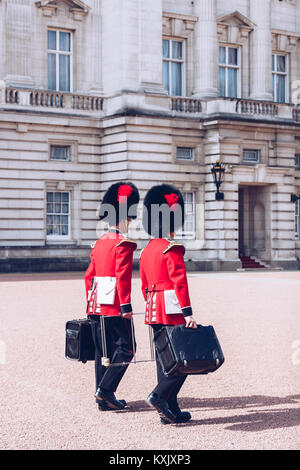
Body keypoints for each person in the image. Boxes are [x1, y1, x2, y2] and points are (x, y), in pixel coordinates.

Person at [140, 184, 197, 424]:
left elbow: (144, 285)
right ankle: (159, 394)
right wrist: (188, 313)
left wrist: (152, 303)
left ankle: (170, 410)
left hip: (153, 307)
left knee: (165, 358)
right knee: (183, 358)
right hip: (171, 307)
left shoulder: (146, 250)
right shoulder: (171, 249)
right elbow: (180, 283)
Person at [85, 182, 139, 411]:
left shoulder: (99, 243)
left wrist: (91, 302)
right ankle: (105, 391)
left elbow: (89, 276)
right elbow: (122, 277)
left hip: (97, 305)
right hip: (115, 306)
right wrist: (126, 306)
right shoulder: (122, 244)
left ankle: (103, 399)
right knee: (126, 350)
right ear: (124, 219)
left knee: (101, 351)